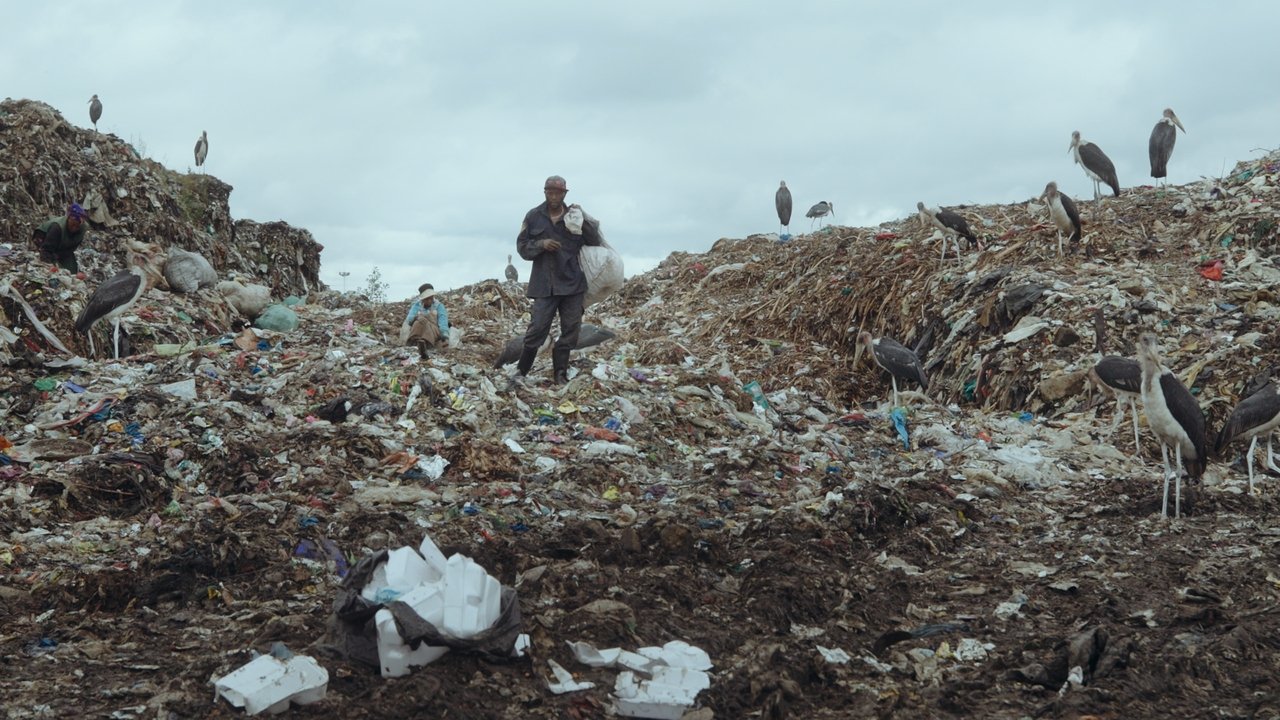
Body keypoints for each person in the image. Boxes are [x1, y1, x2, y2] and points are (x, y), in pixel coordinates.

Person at [513, 175, 602, 385]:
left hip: (572, 284)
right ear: (545, 192)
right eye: (550, 192)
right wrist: (541, 244)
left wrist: (584, 220)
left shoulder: (574, 216)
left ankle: (560, 374)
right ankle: (520, 372)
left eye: (558, 193)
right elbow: (522, 248)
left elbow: (594, 241)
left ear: (564, 194)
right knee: (537, 329)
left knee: (571, 331)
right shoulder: (533, 216)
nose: (554, 196)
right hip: (544, 285)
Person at [33, 203, 89, 273]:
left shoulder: (83, 228)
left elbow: (73, 246)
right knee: (55, 269)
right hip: (44, 240)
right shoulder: (57, 228)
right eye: (73, 225)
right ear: (68, 219)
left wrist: (61, 255)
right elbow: (46, 251)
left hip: (63, 248)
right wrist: (52, 262)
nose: (74, 228)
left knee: (72, 271)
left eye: (77, 226)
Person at [404, 283, 449, 359]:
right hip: (419, 330)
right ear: (423, 299)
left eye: (431, 298)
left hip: (434, 330)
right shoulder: (417, 306)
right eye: (427, 299)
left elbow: (443, 321)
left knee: (427, 324)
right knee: (418, 322)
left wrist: (444, 336)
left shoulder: (439, 306)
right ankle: (414, 343)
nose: (429, 301)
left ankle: (426, 344)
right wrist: (417, 317)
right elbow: (409, 319)